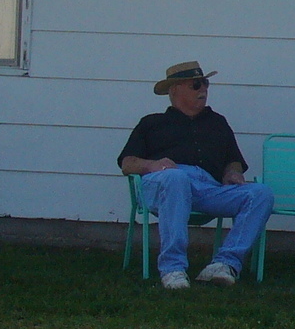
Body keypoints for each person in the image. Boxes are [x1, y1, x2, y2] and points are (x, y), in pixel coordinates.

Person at [118, 61, 275, 290]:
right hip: (164, 183)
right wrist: (153, 165)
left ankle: (224, 264)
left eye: (206, 83)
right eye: (196, 85)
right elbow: (127, 163)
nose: (203, 89)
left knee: (261, 193)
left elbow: (234, 160)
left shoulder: (217, 122)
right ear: (175, 90)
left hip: (206, 187)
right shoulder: (152, 123)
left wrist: (232, 172)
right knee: (176, 178)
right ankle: (173, 268)